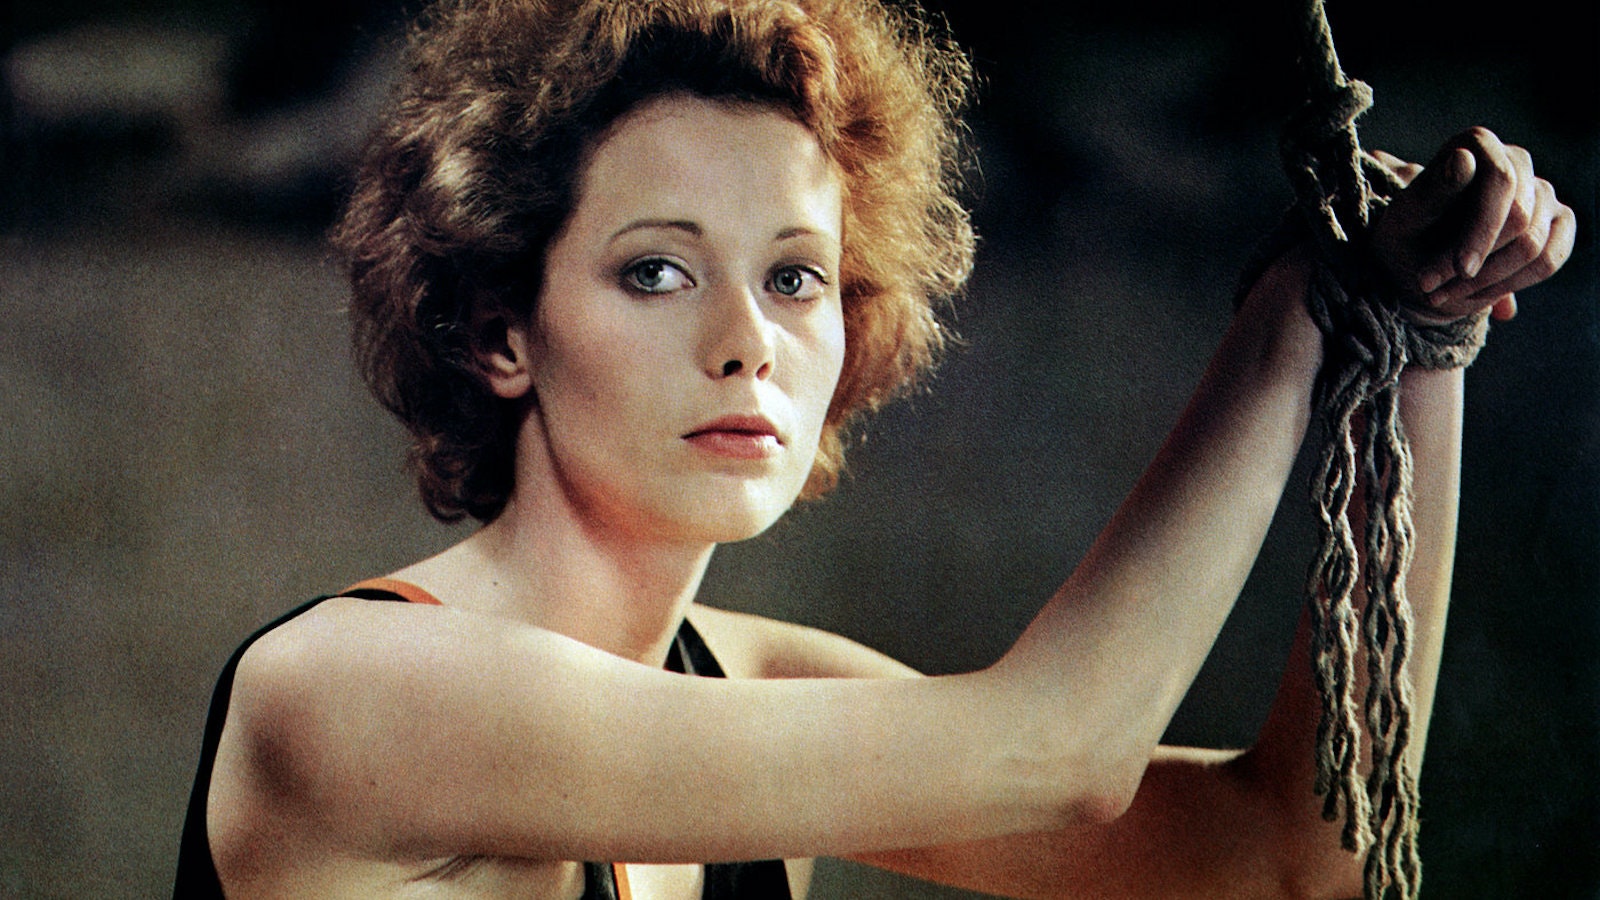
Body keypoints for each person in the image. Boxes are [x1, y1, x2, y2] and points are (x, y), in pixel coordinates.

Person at [172, 0, 1576, 897]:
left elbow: (1289, 861)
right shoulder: (353, 692)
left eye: (795, 278)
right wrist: (1296, 314)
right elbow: (1061, 746)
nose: (747, 341)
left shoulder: (760, 684)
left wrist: (1420, 337)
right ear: (501, 334)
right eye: (656, 271)